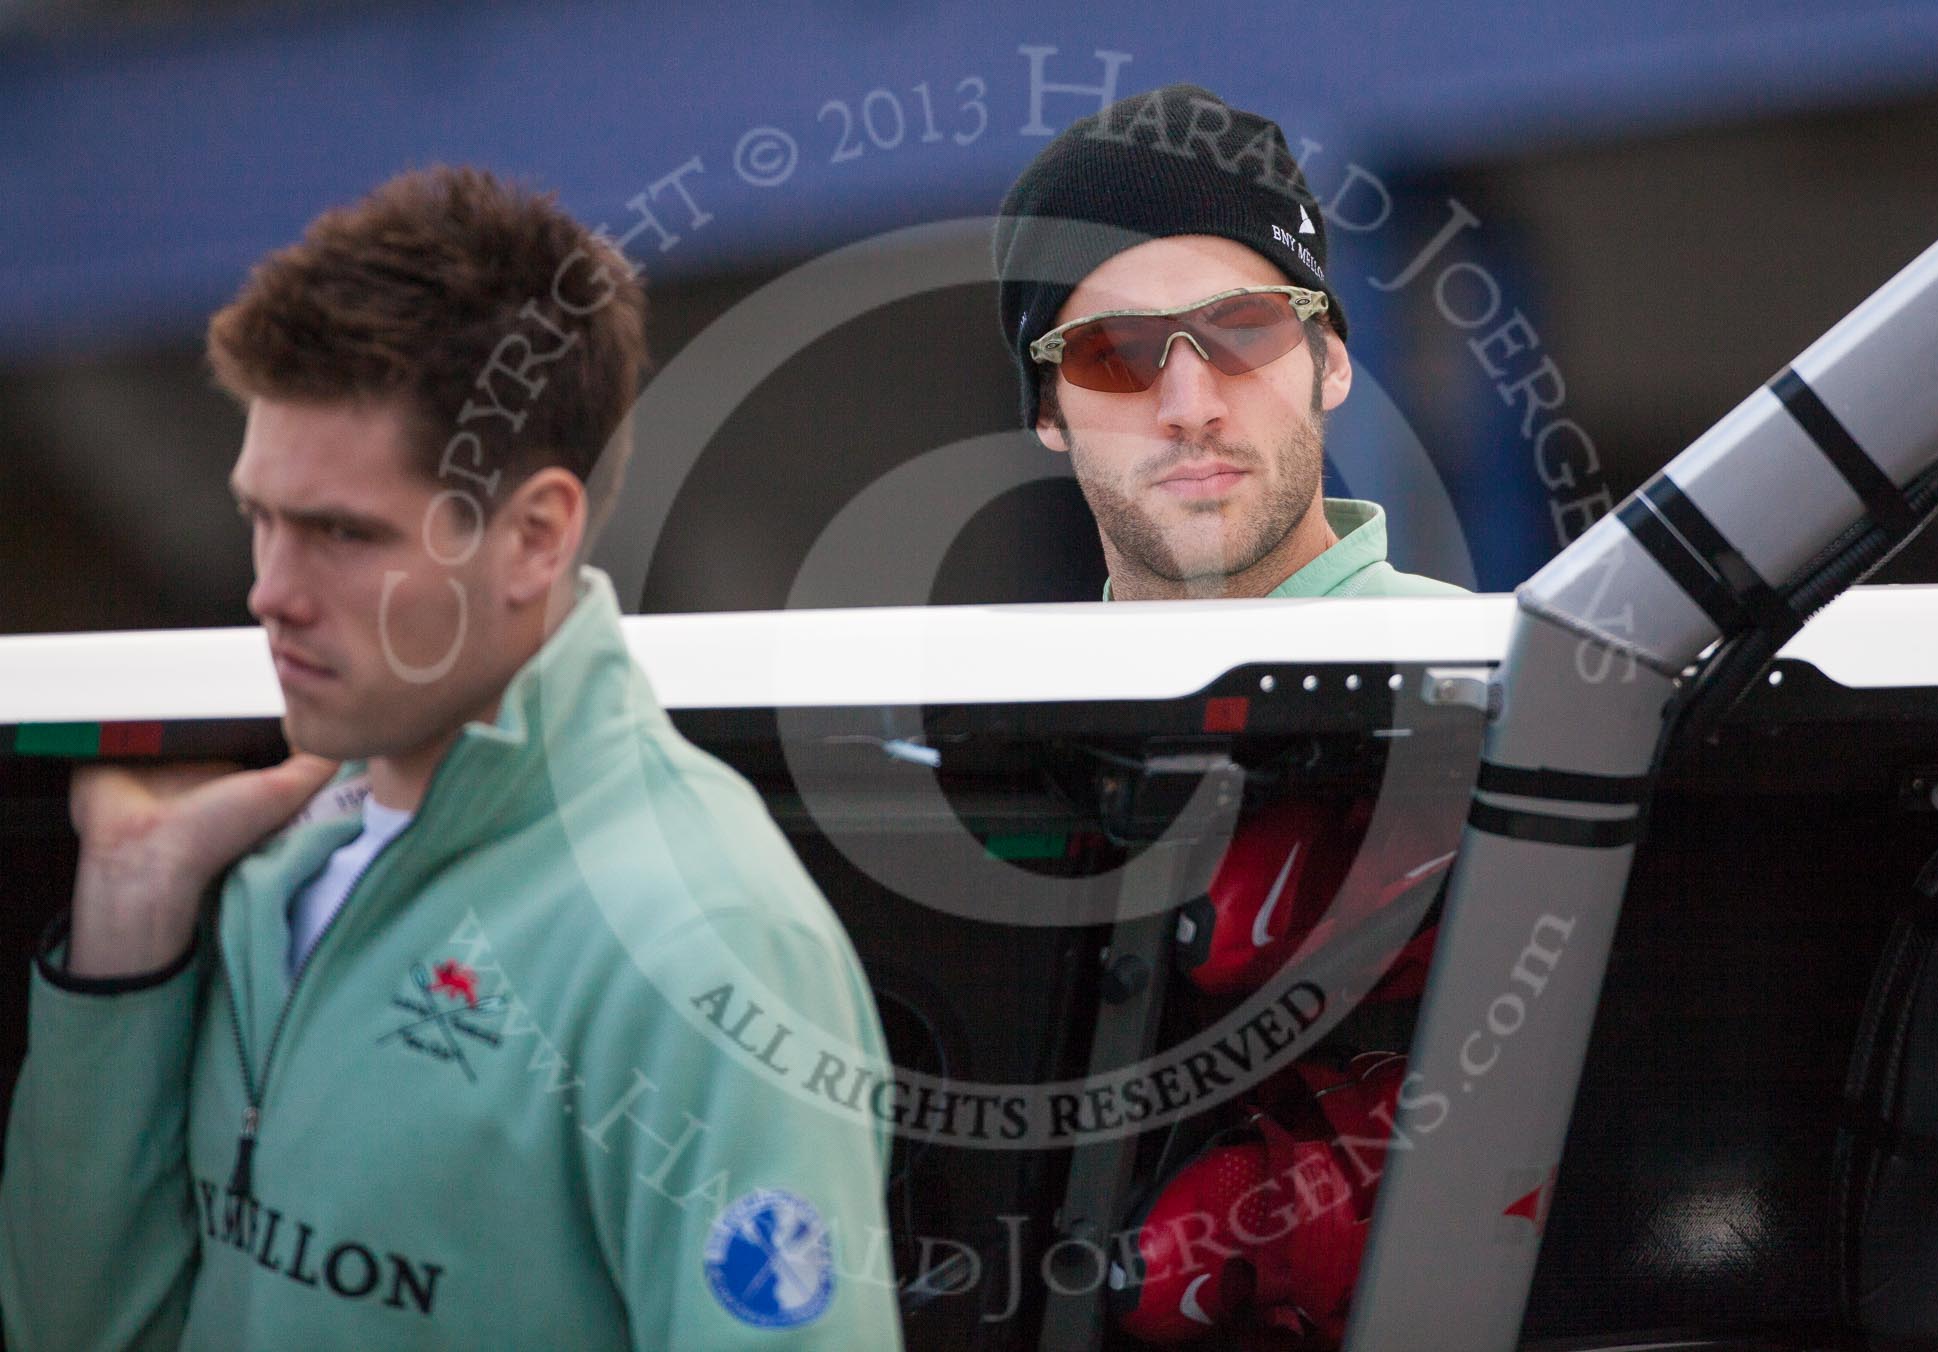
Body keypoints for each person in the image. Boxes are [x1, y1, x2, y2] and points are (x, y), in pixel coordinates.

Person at [0, 167, 902, 1349]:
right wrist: (127, 920)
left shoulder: (709, 940)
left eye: (340, 532)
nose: (270, 591)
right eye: (260, 517)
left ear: (535, 535)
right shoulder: (262, 862)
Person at [994, 83, 1469, 602]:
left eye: (1244, 331)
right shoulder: (1020, 684)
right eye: (1113, 355)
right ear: (1047, 408)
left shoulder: (1493, 669)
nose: (1191, 408)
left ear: (1330, 361)